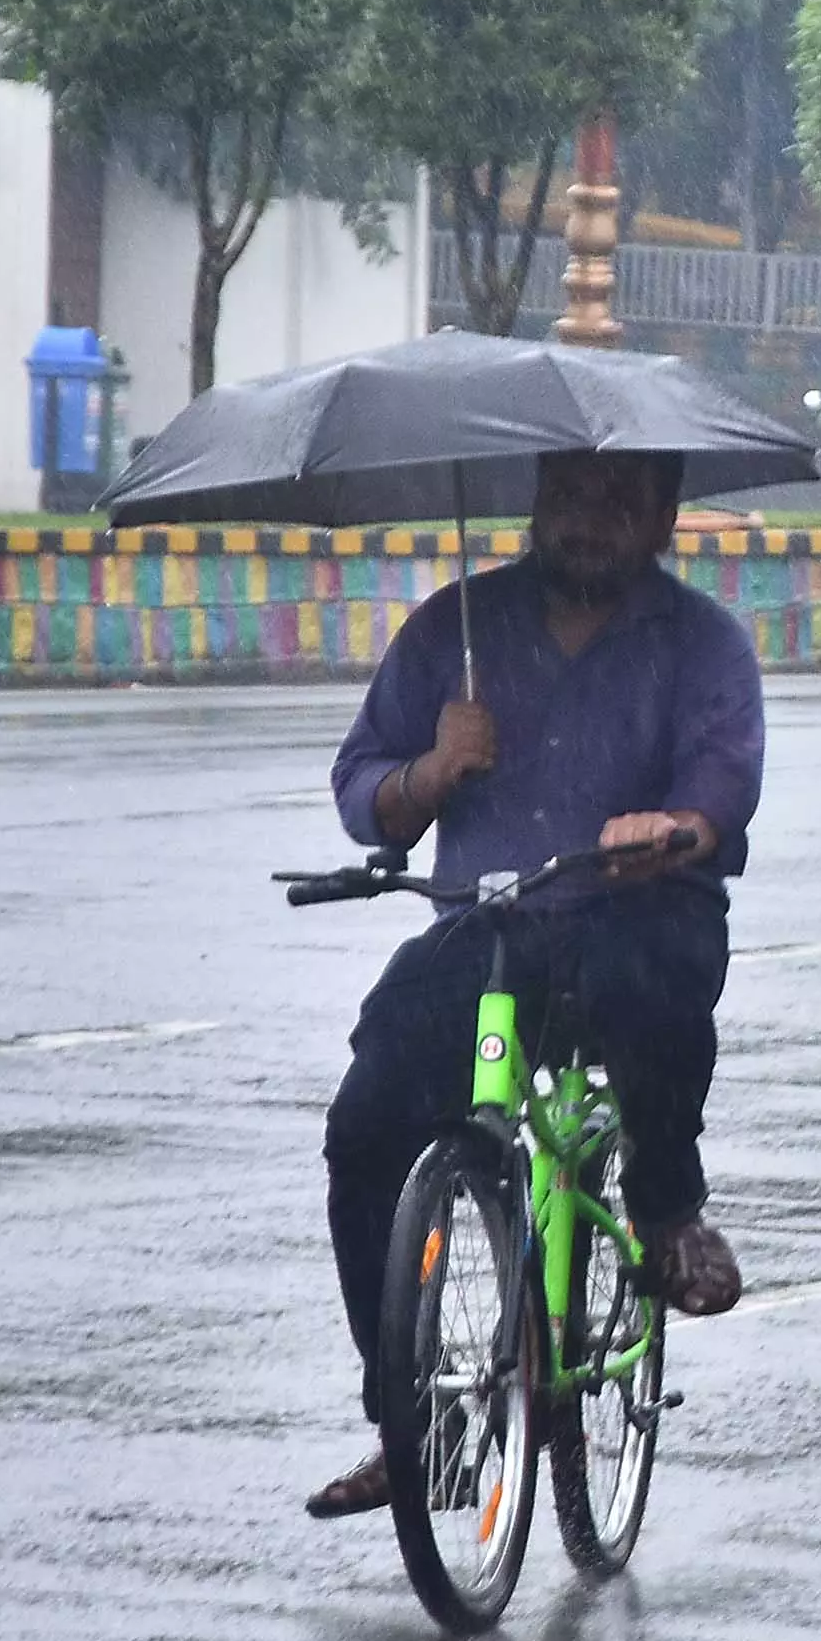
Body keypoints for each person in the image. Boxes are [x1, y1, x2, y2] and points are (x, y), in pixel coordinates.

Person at [304, 449, 757, 1520]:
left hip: (635, 911)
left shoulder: (700, 644)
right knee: (365, 1127)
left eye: (617, 501)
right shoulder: (452, 632)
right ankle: (414, 1426)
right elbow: (361, 782)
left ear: (660, 519)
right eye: (568, 497)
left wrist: (675, 826)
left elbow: (724, 782)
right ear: (535, 508)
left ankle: (668, 1215)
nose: (586, 520)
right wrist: (427, 772)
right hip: (489, 923)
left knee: (657, 986)